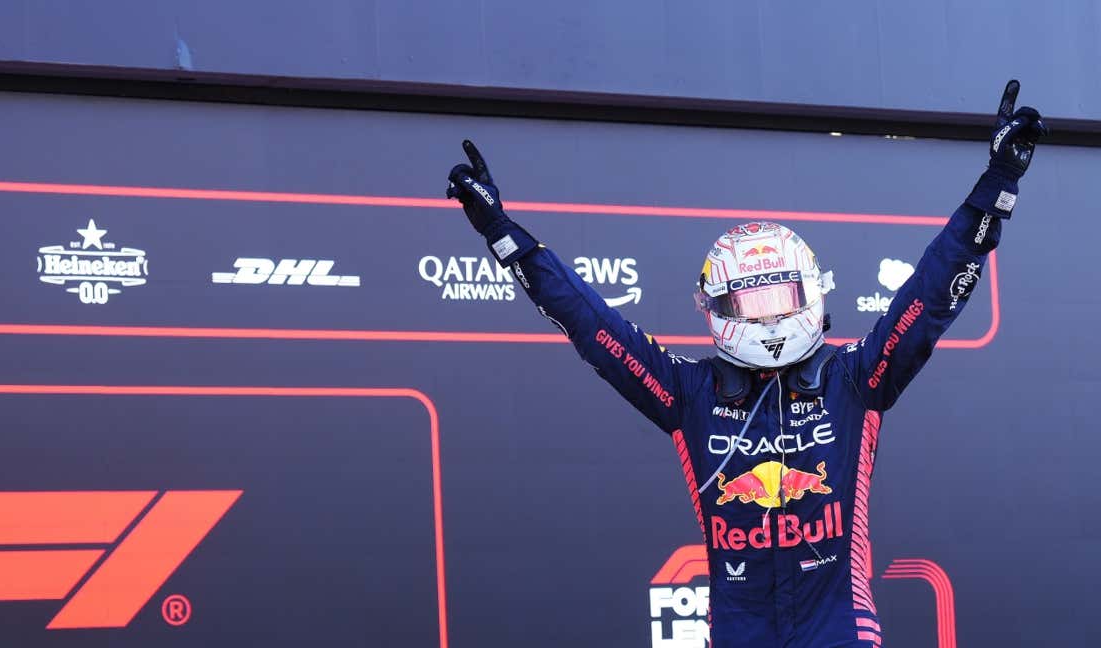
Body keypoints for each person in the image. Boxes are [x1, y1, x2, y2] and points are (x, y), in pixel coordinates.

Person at [444, 80, 1046, 647]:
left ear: (811, 293)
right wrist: (503, 232)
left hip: (839, 631)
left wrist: (997, 184)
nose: (771, 319)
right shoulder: (687, 391)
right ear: (720, 306)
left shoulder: (856, 380)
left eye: (782, 299)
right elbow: (589, 322)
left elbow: (932, 294)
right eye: (754, 303)